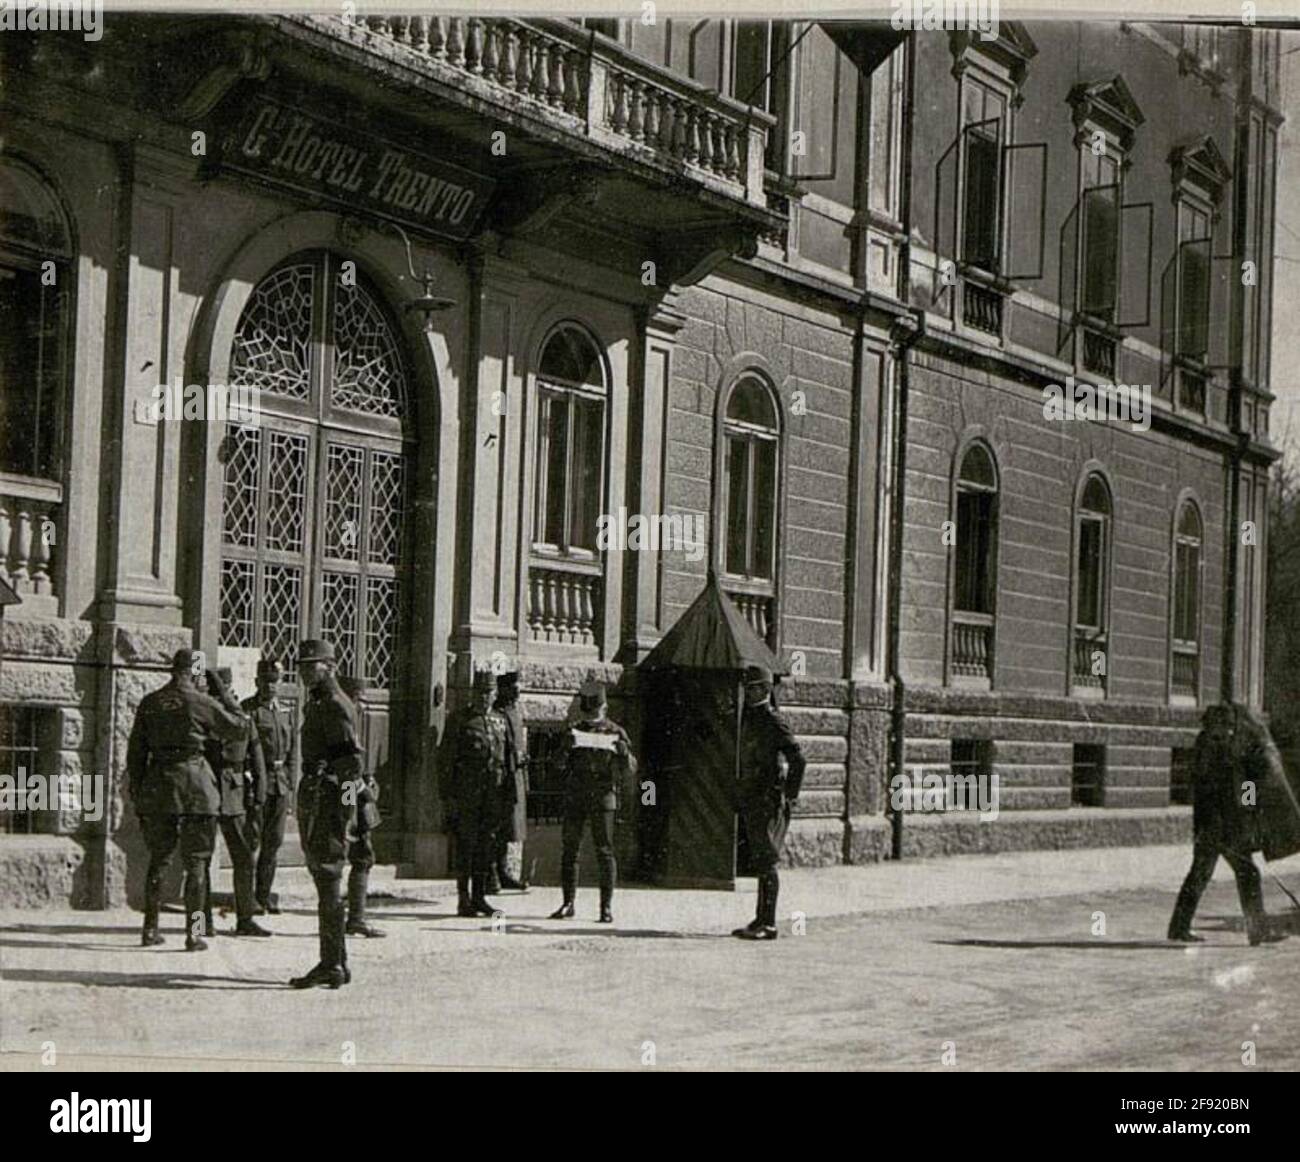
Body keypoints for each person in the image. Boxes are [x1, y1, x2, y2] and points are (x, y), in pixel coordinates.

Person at [126, 649, 249, 951]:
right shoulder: (201, 702)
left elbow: (136, 756)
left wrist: (141, 794)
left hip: (160, 789)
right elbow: (240, 726)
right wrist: (221, 690)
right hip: (196, 791)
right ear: (196, 672)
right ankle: (193, 934)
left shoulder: (150, 703)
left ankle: (150, 929)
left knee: (158, 861)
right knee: (196, 864)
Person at [1168, 701, 1286, 947]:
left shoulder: (1213, 746)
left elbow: (1243, 784)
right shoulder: (1214, 748)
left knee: (1201, 875)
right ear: (1217, 725)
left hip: (1214, 826)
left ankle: (1178, 927)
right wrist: (1247, 810)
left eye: (1232, 726)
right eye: (1228, 725)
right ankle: (1258, 931)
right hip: (1221, 827)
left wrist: (1249, 806)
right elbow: (1235, 785)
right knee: (1247, 874)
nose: (1231, 730)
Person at [290, 639, 363, 989]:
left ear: (330, 666)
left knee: (328, 879)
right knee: (326, 880)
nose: (305, 672)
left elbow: (351, 765)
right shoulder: (319, 703)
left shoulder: (334, 704)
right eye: (302, 667)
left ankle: (331, 963)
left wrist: (344, 813)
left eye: (312, 666)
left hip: (329, 801)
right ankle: (337, 962)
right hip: (321, 797)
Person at [550, 678, 636, 924]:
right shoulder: (574, 729)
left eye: (595, 710)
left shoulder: (615, 732)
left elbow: (630, 770)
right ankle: (568, 903)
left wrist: (624, 753)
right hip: (576, 796)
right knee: (570, 851)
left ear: (604, 708)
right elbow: (556, 766)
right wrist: (565, 749)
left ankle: (605, 908)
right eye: (589, 711)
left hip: (603, 797)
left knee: (605, 851)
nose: (592, 715)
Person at [733, 665, 806, 941]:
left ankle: (770, 923)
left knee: (767, 860)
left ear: (765, 689)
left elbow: (798, 759)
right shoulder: (749, 718)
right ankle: (760, 919)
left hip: (768, 799)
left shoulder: (773, 720)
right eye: (746, 689)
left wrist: (790, 794)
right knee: (760, 859)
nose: (748, 693)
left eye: (753, 688)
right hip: (753, 798)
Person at [202, 667, 270, 938]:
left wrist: (261, 794)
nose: (221, 699)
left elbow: (258, 758)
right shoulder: (203, 717)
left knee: (243, 858)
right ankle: (201, 922)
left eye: (224, 693)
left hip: (234, 794)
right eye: (218, 694)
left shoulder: (241, 718)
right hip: (205, 792)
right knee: (201, 861)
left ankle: (246, 919)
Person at [444, 668, 511, 917]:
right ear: (473, 693)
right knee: (466, 846)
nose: (484, 697)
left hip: (492, 795)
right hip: (467, 795)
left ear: (495, 694)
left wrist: (508, 795)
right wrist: (448, 796)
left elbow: (507, 758)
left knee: (486, 846)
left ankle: (480, 896)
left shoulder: (500, 720)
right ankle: (463, 898)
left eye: (489, 692)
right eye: (480, 692)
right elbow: (446, 760)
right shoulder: (460, 720)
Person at [243, 657, 296, 915]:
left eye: (275, 682)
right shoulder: (249, 710)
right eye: (266, 681)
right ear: (257, 682)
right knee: (252, 841)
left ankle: (264, 896)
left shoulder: (285, 712)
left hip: (280, 784)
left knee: (272, 844)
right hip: (257, 783)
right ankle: (249, 897)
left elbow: (293, 753)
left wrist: (291, 785)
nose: (271, 687)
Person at [337, 673, 385, 938]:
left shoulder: (356, 723)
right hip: (347, 796)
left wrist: (369, 784)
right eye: (356, 700)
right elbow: (345, 773)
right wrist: (359, 796)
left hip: (358, 797)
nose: (360, 706)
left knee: (363, 856)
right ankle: (351, 918)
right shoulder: (342, 725)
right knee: (350, 855)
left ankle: (356, 917)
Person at [493, 670, 529, 892]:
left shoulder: (515, 712)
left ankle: (504, 872)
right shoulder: (496, 712)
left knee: (509, 827)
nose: (517, 690)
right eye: (513, 686)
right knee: (496, 827)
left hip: (515, 776)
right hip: (501, 776)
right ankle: (492, 874)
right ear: (503, 689)